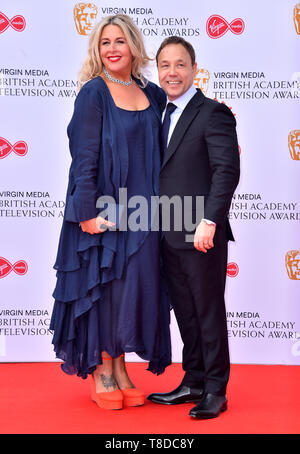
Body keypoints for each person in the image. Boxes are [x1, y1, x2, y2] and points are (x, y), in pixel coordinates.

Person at [50, 14, 171, 411]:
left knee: (130, 289)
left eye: (120, 41)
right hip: (104, 210)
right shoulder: (93, 93)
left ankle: (120, 367)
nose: (113, 48)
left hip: (145, 213)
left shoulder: (152, 93)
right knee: (104, 288)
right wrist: (84, 213)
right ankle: (102, 370)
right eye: (105, 42)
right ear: (97, 50)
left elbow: (179, 130)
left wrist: (218, 113)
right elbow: (82, 158)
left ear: (134, 46)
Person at [147, 37, 240, 419]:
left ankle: (216, 390)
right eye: (165, 65)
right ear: (158, 71)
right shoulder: (159, 113)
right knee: (185, 312)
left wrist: (209, 221)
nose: (172, 72)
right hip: (167, 231)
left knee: (207, 312)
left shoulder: (213, 113)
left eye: (180, 64)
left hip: (202, 233)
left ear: (194, 69)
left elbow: (226, 171)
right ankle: (194, 380)